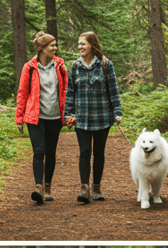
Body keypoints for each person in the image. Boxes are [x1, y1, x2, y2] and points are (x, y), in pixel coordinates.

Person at [63, 31, 122, 203]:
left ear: (92, 45)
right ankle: (84, 188)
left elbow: (113, 90)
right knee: (84, 152)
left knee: (99, 153)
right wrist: (68, 113)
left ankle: (96, 187)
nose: (79, 47)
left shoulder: (105, 64)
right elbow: (70, 92)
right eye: (79, 44)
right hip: (82, 117)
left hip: (102, 116)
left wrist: (117, 112)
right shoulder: (75, 66)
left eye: (83, 44)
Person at [15, 31, 67, 205]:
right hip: (35, 117)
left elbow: (65, 90)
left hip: (55, 117)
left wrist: (68, 113)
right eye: (52, 45)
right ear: (42, 48)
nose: (55, 48)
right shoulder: (29, 67)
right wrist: (19, 117)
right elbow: (22, 92)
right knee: (39, 151)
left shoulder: (59, 65)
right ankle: (38, 187)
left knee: (51, 152)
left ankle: (47, 187)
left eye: (55, 45)